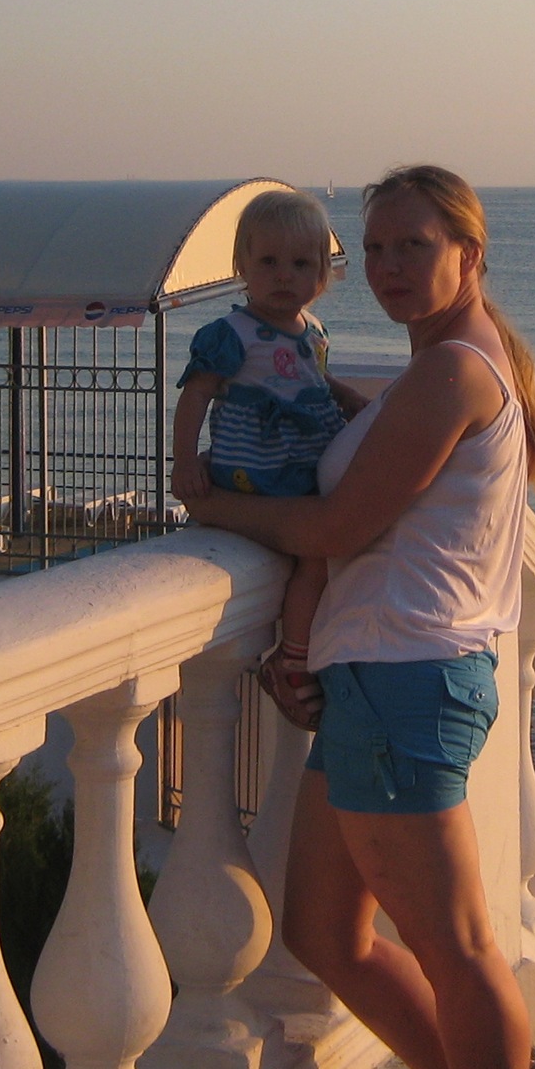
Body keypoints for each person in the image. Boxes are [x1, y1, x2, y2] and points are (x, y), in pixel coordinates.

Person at [176, 165, 535, 1069]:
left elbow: (337, 528)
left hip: (405, 684)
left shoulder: (449, 377)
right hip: (378, 680)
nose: (390, 266)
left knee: (459, 950)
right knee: (324, 930)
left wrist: (209, 505)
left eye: (414, 246)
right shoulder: (430, 371)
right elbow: (368, 473)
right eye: (376, 248)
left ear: (468, 255)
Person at [171, 187, 365, 703]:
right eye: (269, 262)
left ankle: (314, 645)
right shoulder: (233, 333)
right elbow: (195, 396)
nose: (284, 276)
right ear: (243, 265)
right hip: (257, 473)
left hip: (303, 469)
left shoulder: (313, 331)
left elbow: (314, 382)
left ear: (322, 273)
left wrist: (351, 400)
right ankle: (295, 658)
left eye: (301, 264)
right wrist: (185, 461)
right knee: (316, 558)